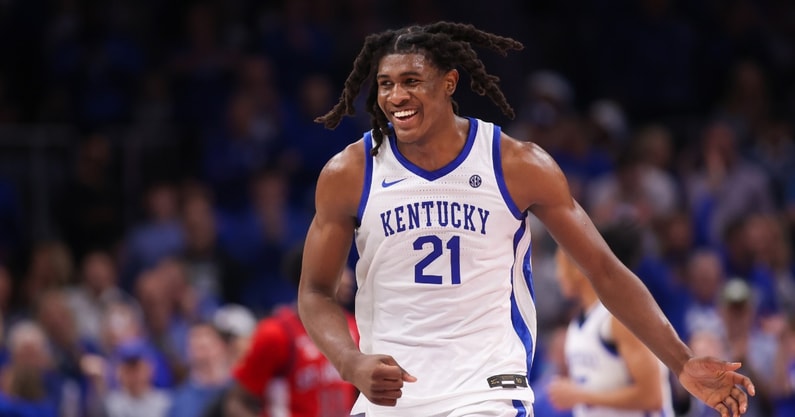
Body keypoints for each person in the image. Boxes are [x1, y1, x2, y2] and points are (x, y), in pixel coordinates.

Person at [295, 21, 756, 417]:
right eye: (385, 83)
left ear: (449, 82)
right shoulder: (350, 172)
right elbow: (315, 292)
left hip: (487, 392)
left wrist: (681, 361)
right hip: (388, 398)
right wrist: (349, 362)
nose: (396, 96)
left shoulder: (515, 164)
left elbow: (603, 270)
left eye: (411, 80)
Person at [547, 224, 674, 416]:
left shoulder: (619, 318)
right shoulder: (578, 324)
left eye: (560, 265)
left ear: (580, 265)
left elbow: (652, 397)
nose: (558, 275)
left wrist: (582, 396)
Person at [218, 242, 358, 417]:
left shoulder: (354, 328)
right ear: (312, 276)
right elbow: (236, 401)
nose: (349, 277)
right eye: (341, 269)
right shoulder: (275, 333)